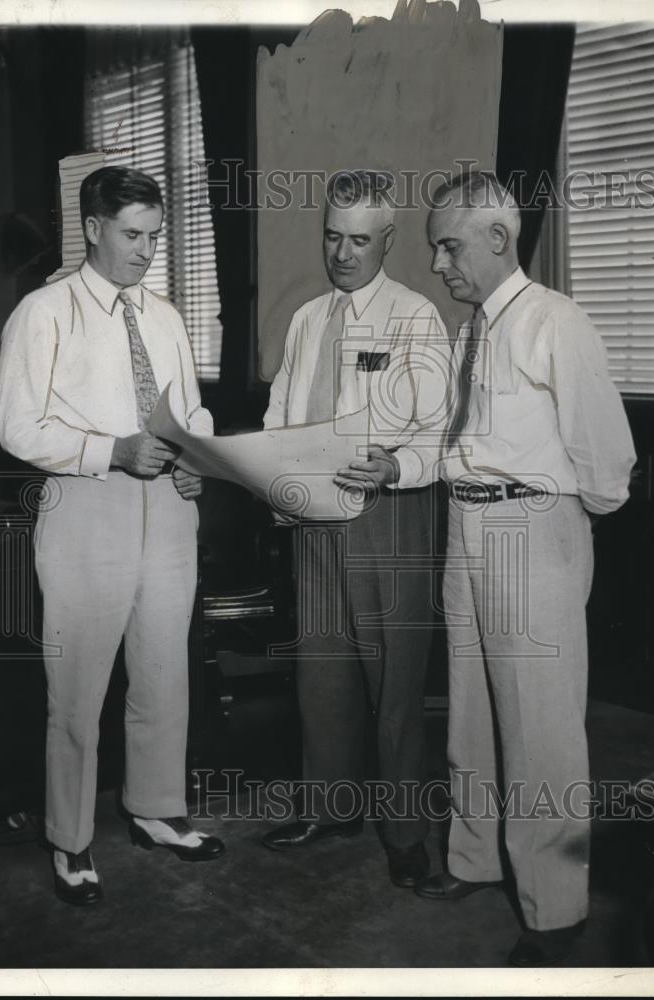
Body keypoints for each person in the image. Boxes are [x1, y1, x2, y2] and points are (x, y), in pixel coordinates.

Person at [416, 171, 636, 965]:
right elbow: (452, 443)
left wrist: (559, 526)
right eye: (435, 247)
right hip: (464, 522)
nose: (439, 262)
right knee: (470, 708)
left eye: (448, 245)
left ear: (497, 238)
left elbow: (607, 460)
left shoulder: (556, 323)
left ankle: (554, 908)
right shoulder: (467, 330)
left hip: (529, 527)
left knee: (539, 726)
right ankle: (474, 860)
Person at [0, 165, 224, 906]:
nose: (146, 251)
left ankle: (156, 810)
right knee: (78, 691)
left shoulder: (162, 315)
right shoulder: (44, 312)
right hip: (86, 509)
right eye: (133, 235)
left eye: (156, 236)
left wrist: (198, 461)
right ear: (92, 228)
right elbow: (17, 427)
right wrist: (112, 450)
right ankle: (69, 839)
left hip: (168, 514)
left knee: (164, 674)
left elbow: (191, 414)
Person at [261, 170, 450, 888]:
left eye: (360, 241)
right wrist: (272, 481)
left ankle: (406, 834)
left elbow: (438, 434)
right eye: (332, 238)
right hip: (312, 517)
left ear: (389, 242)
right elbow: (282, 415)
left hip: (388, 517)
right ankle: (331, 806)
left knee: (394, 686)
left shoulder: (414, 318)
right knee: (322, 672)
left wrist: (395, 469)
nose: (343, 254)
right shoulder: (309, 318)